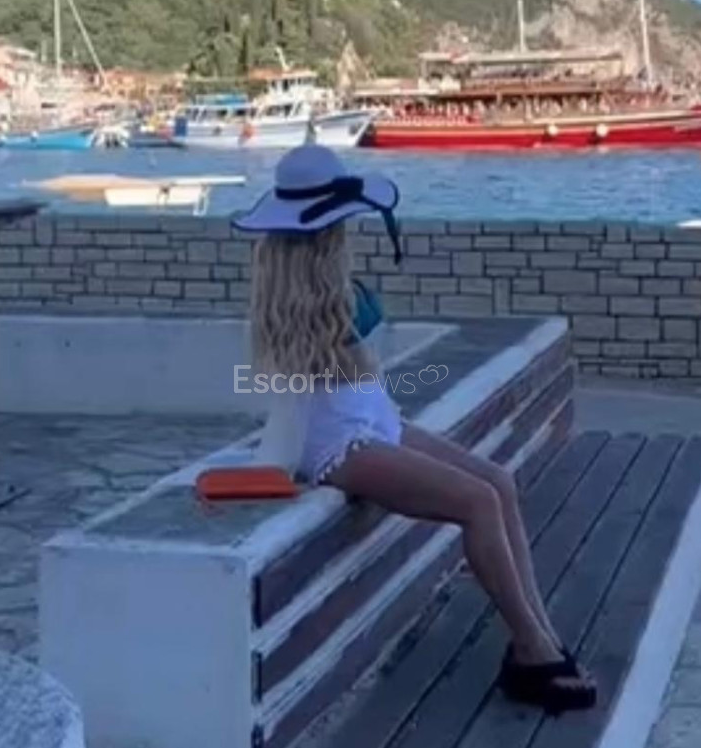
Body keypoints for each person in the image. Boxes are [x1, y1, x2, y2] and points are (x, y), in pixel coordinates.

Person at [232, 144, 596, 714]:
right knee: (477, 501)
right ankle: (531, 647)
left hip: (370, 418)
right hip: (337, 443)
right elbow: (324, 383)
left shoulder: (322, 289)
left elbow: (361, 376)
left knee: (498, 483)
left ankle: (540, 632)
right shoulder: (310, 299)